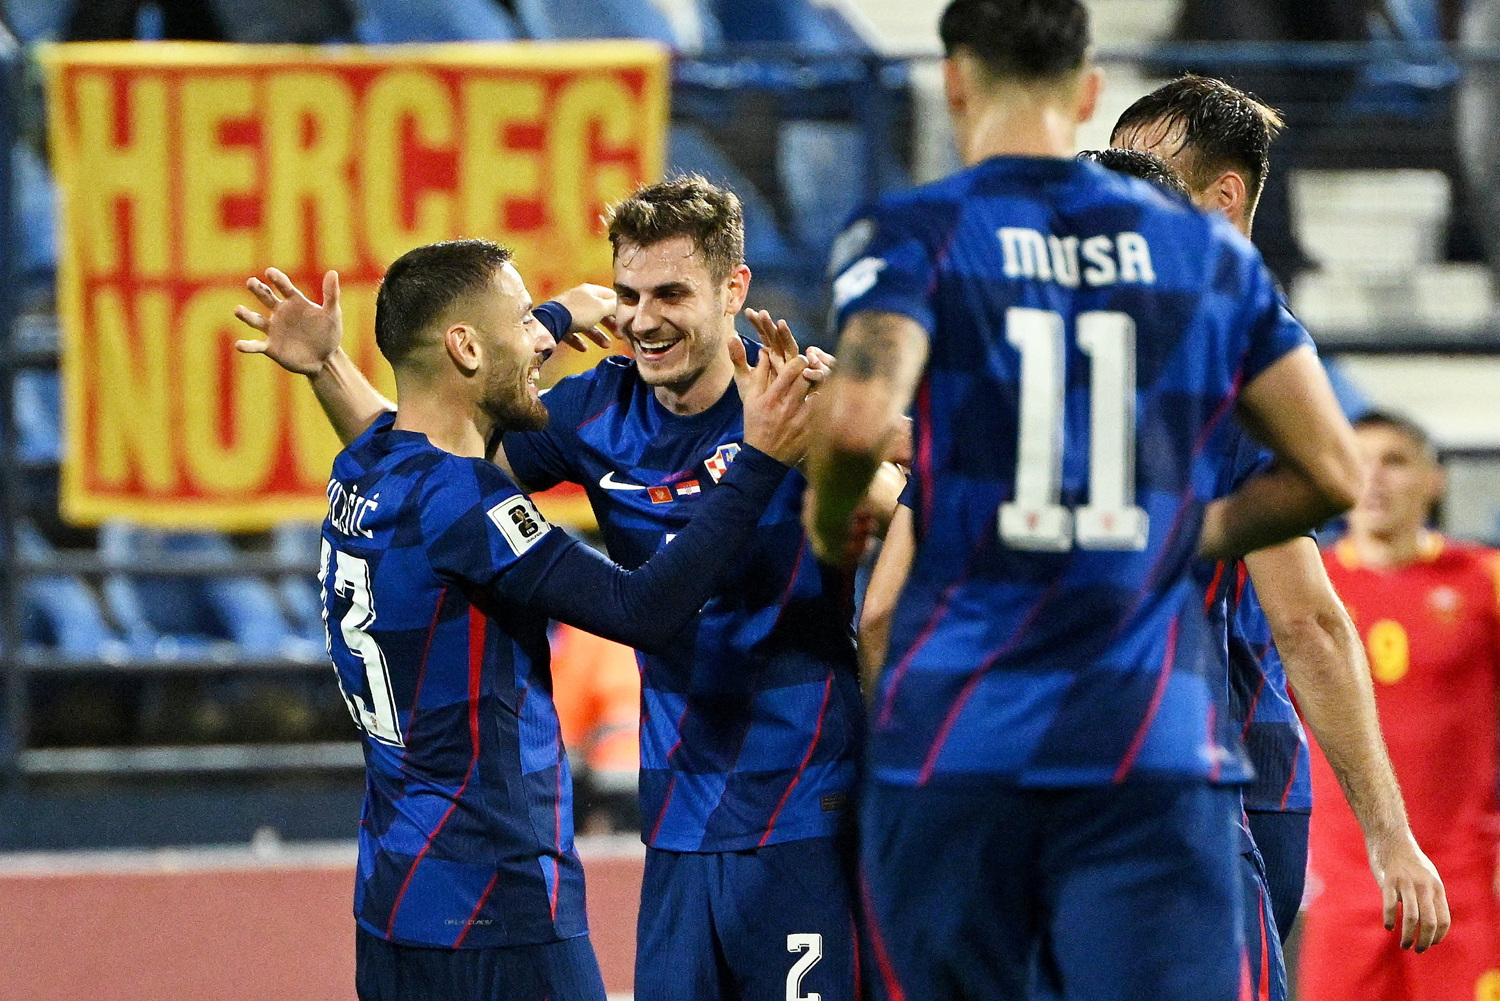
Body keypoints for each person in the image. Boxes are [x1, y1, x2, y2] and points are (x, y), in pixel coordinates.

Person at [805, 0, 1368, 997]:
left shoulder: (916, 238)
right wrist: (1191, 530)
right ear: (1089, 91)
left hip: (968, 743)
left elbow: (853, 437)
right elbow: (1332, 469)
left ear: (954, 83)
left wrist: (831, 517)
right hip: (1149, 745)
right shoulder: (1205, 264)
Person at [233, 177, 891, 1001]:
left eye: (671, 294)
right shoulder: (594, 412)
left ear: (734, 289)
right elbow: (439, 459)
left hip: (803, 812)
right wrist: (541, 323)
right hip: (672, 828)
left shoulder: (800, 408)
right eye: (628, 295)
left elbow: (915, 525)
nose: (643, 319)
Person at [1110, 72, 1449, 980]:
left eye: (1149, 175)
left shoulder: (1244, 358)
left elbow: (1309, 621)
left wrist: (1389, 836)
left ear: (1224, 199)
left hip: (1226, 772)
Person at [1303, 411, 1500, 1001]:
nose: (1374, 478)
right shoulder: (1305, 590)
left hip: (1464, 885)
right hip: (1342, 891)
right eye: (1358, 461)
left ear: (1435, 480)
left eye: (1394, 461)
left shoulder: (1484, 580)